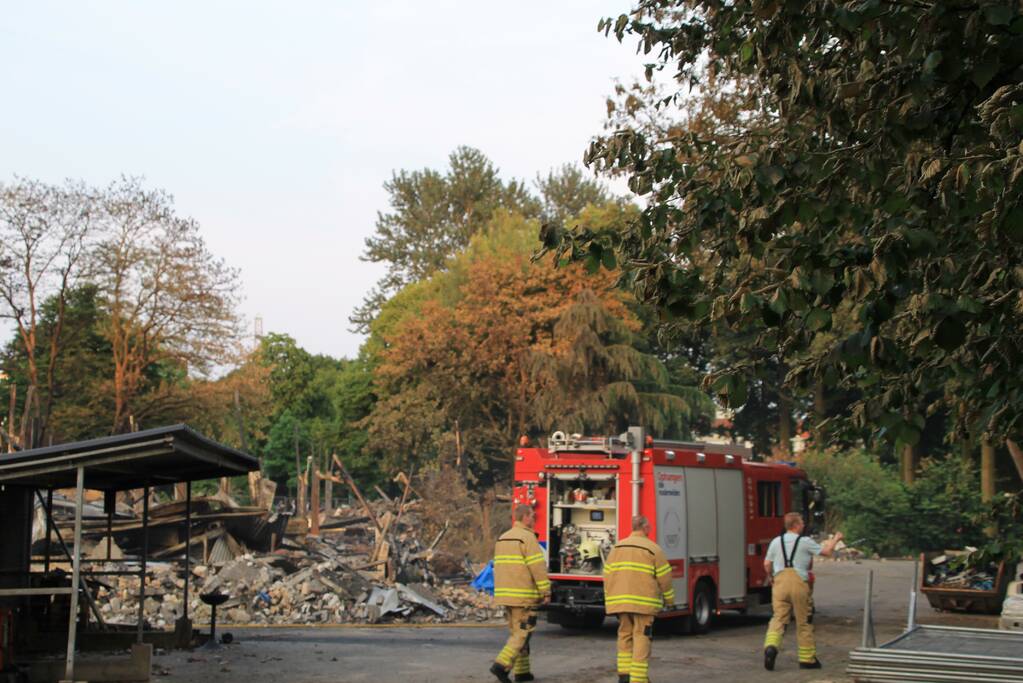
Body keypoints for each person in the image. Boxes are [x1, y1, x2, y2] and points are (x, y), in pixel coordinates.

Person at [762, 512, 843, 671]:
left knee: (778, 618)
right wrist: (836, 539)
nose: (804, 525)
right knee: (803, 621)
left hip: (779, 582)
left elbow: (766, 564)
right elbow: (826, 552)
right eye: (802, 522)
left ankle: (771, 647)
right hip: (799, 582)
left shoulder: (776, 542)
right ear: (796, 525)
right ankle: (807, 659)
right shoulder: (805, 541)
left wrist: (771, 577)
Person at [604, 515, 674, 683]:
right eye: (649, 526)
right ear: (645, 528)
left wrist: (610, 599)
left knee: (624, 636)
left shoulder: (617, 548)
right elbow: (665, 578)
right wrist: (669, 600)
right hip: (644, 604)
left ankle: (624, 675)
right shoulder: (653, 549)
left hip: (620, 602)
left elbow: (607, 575)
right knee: (641, 638)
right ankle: (638, 679)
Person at [490, 504, 550, 683]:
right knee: (522, 633)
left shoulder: (503, 538)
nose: (534, 519)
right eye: (532, 516)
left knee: (517, 632)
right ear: (524, 517)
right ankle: (500, 666)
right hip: (523, 596)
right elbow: (537, 568)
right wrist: (546, 591)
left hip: (506, 595)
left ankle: (523, 672)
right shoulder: (528, 538)